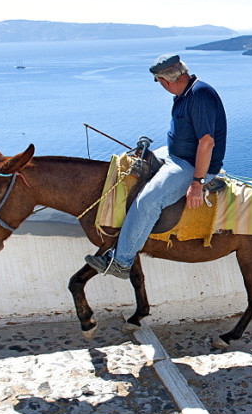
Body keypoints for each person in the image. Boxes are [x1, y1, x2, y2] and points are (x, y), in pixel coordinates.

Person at [85, 54, 228, 279]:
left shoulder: (200, 95)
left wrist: (197, 183)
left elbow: (207, 142)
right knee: (134, 161)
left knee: (147, 201)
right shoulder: (184, 94)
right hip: (175, 155)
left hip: (187, 164)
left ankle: (122, 262)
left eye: (160, 82)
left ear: (165, 81)